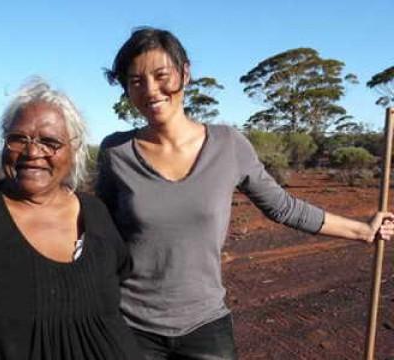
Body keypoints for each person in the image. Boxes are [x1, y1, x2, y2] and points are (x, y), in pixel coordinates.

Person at [96, 27, 394, 360]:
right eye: (136, 81)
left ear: (185, 73)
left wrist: (362, 230)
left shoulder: (228, 145)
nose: (151, 90)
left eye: (161, 75)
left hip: (205, 326)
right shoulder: (116, 152)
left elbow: (283, 207)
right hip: (132, 327)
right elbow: (97, 232)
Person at [0, 81, 144, 360]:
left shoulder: (95, 213)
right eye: (19, 138)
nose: (32, 153)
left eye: (50, 142)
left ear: (74, 150)